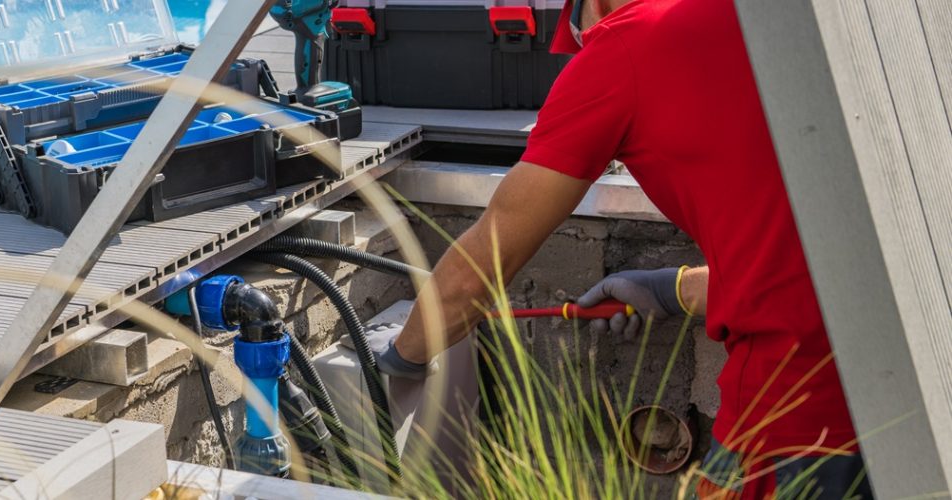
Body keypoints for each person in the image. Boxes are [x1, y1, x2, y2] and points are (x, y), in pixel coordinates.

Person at [366, 0, 873, 497]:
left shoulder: (624, 45)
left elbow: (484, 261)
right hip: (897, 354)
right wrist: (673, 290)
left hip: (798, 393)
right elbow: (797, 252)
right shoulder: (753, 17)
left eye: (576, 34)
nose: (580, 50)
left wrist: (403, 356)